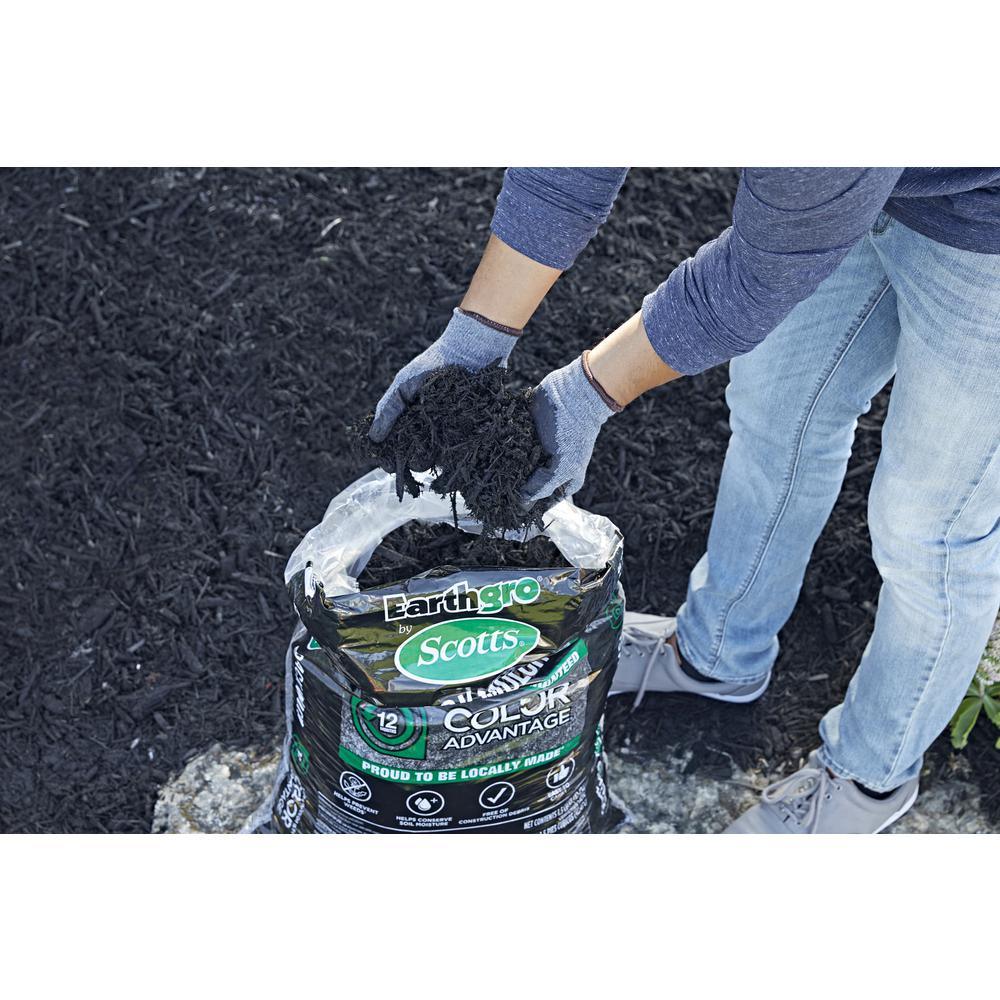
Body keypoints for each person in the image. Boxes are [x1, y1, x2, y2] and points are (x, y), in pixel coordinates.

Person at [370, 168, 1000, 834]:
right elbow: (568, 171)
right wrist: (475, 338)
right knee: (775, 416)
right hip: (861, 190)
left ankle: (872, 777)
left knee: (929, 528)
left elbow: (754, 281)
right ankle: (719, 655)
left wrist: (584, 397)